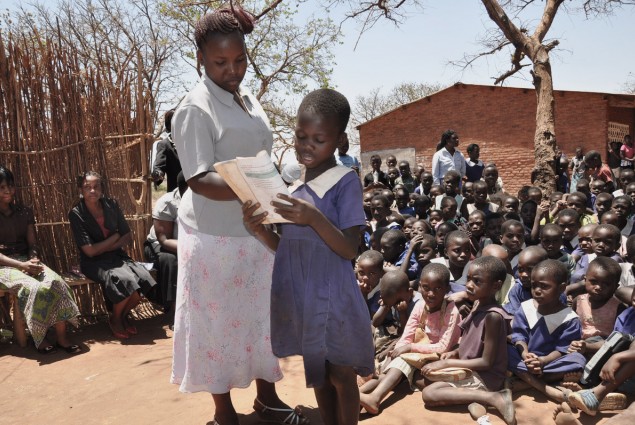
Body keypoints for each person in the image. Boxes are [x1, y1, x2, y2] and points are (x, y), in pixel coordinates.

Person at [169, 8, 305, 425]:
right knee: (215, 328)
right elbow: (199, 178)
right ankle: (224, 410)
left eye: (240, 60)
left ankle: (266, 398)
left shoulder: (248, 99)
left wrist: (274, 186)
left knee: (259, 321)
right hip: (214, 238)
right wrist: (258, 187)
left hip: (256, 232)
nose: (233, 70)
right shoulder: (194, 108)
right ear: (201, 60)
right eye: (220, 63)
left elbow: (260, 155)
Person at [243, 88, 374, 425]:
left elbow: (349, 248)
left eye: (319, 139)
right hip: (304, 297)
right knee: (319, 372)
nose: (307, 145)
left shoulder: (346, 182)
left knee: (342, 376)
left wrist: (314, 218)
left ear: (339, 140)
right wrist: (259, 230)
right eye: (301, 136)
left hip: (335, 297)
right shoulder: (293, 189)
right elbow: (288, 248)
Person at [420, 256, 515, 425]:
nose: (469, 285)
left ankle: (493, 397)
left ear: (496, 286)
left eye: (477, 282)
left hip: (486, 376)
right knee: (425, 379)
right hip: (469, 368)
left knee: (429, 394)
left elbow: (486, 362)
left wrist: (447, 365)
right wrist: (455, 352)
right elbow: (473, 341)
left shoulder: (493, 316)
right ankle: (477, 399)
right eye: (469, 279)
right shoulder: (478, 304)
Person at [359, 263, 461, 415]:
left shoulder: (452, 312)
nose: (431, 294)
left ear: (447, 289)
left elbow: (443, 347)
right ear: (420, 287)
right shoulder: (420, 306)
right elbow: (406, 336)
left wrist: (408, 348)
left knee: (401, 363)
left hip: (438, 357)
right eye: (426, 288)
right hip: (417, 355)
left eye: (437, 289)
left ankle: (367, 397)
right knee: (395, 365)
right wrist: (395, 352)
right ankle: (359, 396)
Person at [0, 166, 81, 354]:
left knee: (56, 282)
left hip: (26, 261)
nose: (7, 191)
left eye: (10, 186)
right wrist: (21, 265)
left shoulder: (24, 212)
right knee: (33, 288)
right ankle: (40, 338)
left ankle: (61, 338)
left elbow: (32, 243)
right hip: (4, 265)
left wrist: (33, 260)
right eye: (2, 187)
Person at [69, 171, 157, 340]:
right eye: (87, 188)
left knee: (140, 283)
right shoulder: (77, 214)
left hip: (117, 257)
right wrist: (114, 238)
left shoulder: (111, 205)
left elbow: (126, 235)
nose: (92, 191)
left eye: (96, 187)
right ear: (81, 189)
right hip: (93, 263)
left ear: (102, 188)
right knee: (126, 281)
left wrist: (108, 245)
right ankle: (115, 319)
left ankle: (122, 316)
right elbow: (89, 251)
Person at [507, 260, 586, 402]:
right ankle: (545, 385)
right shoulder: (525, 308)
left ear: (562, 288)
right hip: (525, 359)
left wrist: (543, 361)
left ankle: (526, 381)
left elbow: (563, 349)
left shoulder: (569, 318)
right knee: (503, 349)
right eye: (534, 285)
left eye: (544, 286)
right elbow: (519, 336)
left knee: (577, 360)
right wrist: (525, 354)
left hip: (550, 362)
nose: (537, 290)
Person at [144, 171, 187, 325]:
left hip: (188, 245)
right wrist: (191, 250)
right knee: (171, 261)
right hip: (159, 245)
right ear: (183, 190)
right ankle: (173, 311)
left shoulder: (206, 200)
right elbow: (164, 240)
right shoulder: (167, 203)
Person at [152, 109, 182, 192]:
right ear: (169, 126)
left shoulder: (193, 143)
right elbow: (159, 166)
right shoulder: (165, 145)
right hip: (177, 194)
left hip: (198, 193)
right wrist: (158, 174)